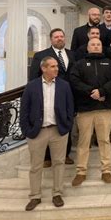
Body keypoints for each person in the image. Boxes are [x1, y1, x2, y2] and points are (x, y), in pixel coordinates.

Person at [20, 57, 74, 211]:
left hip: (59, 131)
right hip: (37, 133)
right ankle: (35, 196)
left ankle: (57, 193)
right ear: (44, 68)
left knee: (59, 163)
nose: (56, 69)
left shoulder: (64, 86)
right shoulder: (31, 86)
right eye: (52, 66)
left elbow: (70, 107)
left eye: (57, 66)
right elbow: (24, 111)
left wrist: (67, 125)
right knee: (36, 166)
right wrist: (27, 131)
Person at [69, 38, 111, 187]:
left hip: (105, 108)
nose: (96, 46)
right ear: (88, 47)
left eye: (98, 44)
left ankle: (106, 170)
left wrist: (102, 91)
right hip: (85, 109)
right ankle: (81, 172)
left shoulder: (110, 64)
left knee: (104, 140)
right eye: (93, 44)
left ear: (101, 47)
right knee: (84, 142)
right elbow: (74, 80)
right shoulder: (79, 64)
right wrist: (91, 92)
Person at [29, 28, 76, 167]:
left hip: (69, 96)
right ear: (51, 39)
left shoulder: (72, 54)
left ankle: (65, 154)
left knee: (67, 122)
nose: (59, 38)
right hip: (48, 94)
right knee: (49, 125)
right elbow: (33, 78)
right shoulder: (41, 55)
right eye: (56, 37)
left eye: (62, 36)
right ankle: (47, 157)